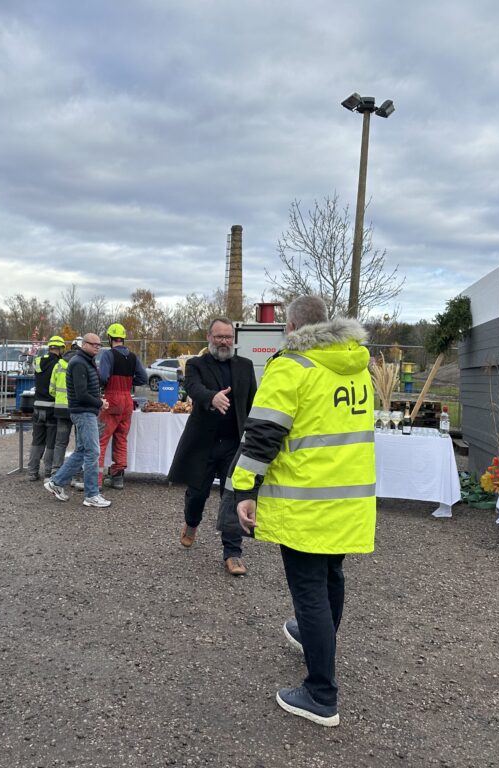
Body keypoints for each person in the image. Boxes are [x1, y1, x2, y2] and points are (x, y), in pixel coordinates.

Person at [232, 295, 375, 728]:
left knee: (309, 591)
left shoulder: (292, 366)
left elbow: (262, 434)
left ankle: (320, 694)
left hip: (305, 500)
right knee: (332, 576)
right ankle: (319, 640)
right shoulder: (356, 366)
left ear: (290, 328)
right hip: (348, 497)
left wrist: (244, 489)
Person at [167, 318, 256, 576]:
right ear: (209, 337)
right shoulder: (196, 364)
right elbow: (193, 387)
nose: (224, 341)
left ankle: (233, 552)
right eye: (219, 337)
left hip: (233, 444)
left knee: (232, 497)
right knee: (197, 494)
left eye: (228, 337)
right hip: (203, 444)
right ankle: (191, 522)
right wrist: (211, 397)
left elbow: (252, 400)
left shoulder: (245, 366)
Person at [44, 333, 112, 508]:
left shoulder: (86, 361)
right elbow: (81, 394)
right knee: (93, 452)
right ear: (84, 344)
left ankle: (56, 483)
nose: (97, 347)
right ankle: (92, 495)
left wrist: (98, 401)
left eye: (99, 345)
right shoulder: (79, 363)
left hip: (86, 411)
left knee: (82, 451)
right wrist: (99, 403)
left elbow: (87, 390)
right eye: (94, 344)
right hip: (83, 413)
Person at [97, 323, 148, 489]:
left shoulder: (108, 355)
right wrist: (129, 382)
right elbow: (143, 378)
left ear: (110, 338)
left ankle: (95, 481)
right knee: (121, 439)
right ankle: (117, 478)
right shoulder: (133, 357)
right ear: (123, 338)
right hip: (127, 401)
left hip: (112, 400)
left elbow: (103, 377)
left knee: (100, 440)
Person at [25, 335, 66, 480]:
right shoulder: (59, 364)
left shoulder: (38, 361)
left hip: (37, 405)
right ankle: (48, 472)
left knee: (37, 440)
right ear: (61, 348)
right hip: (52, 407)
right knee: (51, 442)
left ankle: (32, 472)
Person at [48, 338, 80, 477]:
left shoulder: (58, 365)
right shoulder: (82, 364)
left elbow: (52, 389)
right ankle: (77, 472)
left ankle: (56, 471)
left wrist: (61, 398)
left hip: (61, 410)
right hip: (77, 409)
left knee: (60, 442)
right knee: (80, 443)